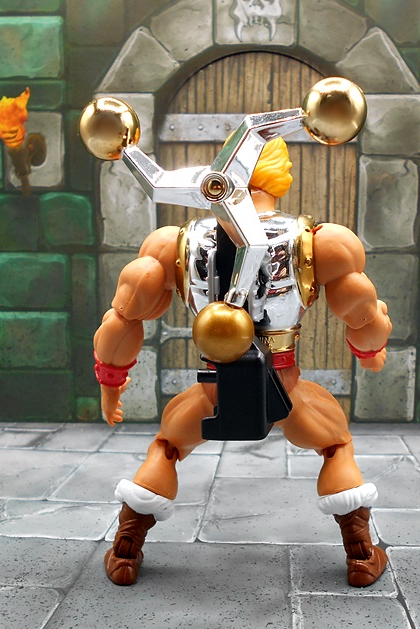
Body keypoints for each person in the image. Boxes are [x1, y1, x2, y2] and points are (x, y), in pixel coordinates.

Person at [94, 137, 392, 587]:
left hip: (213, 389)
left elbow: (123, 318)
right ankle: (361, 553)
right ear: (279, 176)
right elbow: (362, 313)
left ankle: (125, 548)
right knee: (335, 446)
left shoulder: (174, 243)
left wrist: (111, 380)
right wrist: (371, 353)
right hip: (284, 388)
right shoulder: (318, 243)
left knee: (167, 448)